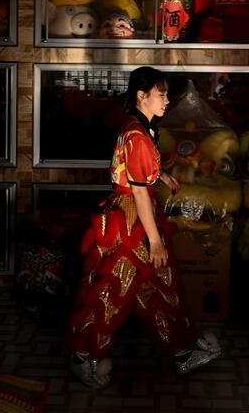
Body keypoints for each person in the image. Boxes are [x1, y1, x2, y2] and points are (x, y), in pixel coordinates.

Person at [65, 66, 222, 388]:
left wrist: (159, 175)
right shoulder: (138, 133)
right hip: (130, 221)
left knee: (158, 285)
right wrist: (155, 241)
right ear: (142, 95)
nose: (166, 100)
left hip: (135, 213)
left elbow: (137, 171)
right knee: (114, 288)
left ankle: (182, 349)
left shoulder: (139, 126)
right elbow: (136, 189)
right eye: (161, 94)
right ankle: (83, 354)